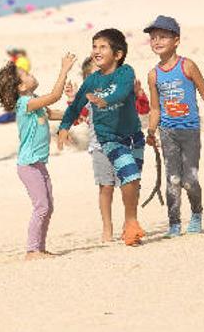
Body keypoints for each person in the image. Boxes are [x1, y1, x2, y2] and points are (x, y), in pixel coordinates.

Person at [57, 29, 146, 246]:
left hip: (133, 136)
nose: (96, 51)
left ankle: (129, 223)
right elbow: (77, 106)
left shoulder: (126, 72)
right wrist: (64, 126)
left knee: (132, 180)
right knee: (123, 178)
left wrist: (106, 100)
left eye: (102, 47)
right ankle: (129, 223)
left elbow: (124, 92)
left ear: (117, 54)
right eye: (94, 46)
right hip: (109, 139)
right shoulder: (91, 82)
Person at [0, 52, 76, 260]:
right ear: (21, 87)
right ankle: (32, 250)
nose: (31, 74)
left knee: (48, 205)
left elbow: (53, 113)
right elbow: (54, 96)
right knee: (41, 206)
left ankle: (40, 248)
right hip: (28, 165)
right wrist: (64, 69)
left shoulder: (34, 101)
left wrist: (76, 111)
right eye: (26, 74)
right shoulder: (24, 104)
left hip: (38, 164)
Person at [144, 15, 204, 237]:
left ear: (176, 40)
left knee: (189, 180)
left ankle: (196, 213)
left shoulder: (187, 65)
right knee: (173, 179)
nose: (157, 41)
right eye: (153, 38)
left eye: (163, 37)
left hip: (189, 130)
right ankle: (174, 223)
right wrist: (151, 131)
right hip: (167, 132)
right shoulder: (153, 75)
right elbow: (155, 108)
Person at [64, 58, 120, 243]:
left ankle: (130, 221)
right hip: (100, 148)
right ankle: (107, 227)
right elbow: (77, 115)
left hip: (123, 145)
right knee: (106, 188)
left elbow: (139, 107)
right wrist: (73, 100)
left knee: (129, 186)